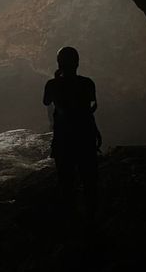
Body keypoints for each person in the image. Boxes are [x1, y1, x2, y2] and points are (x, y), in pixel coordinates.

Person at [43, 47, 102, 218]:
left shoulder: (52, 85)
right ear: (77, 63)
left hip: (64, 138)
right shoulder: (87, 83)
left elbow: (46, 101)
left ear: (59, 63)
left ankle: (71, 219)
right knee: (89, 179)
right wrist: (96, 131)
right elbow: (89, 110)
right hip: (85, 135)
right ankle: (93, 216)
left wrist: (56, 78)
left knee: (66, 182)